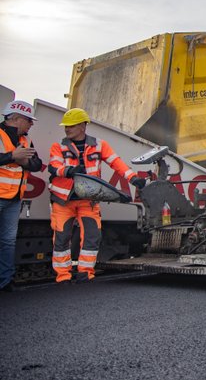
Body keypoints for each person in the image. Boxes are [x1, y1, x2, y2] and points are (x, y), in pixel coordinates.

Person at [47, 108, 146, 283]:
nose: (67, 129)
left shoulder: (99, 145)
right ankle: (63, 276)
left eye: (71, 126)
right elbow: (54, 167)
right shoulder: (58, 146)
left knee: (92, 237)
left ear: (82, 126)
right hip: (63, 201)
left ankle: (85, 273)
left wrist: (133, 178)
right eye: (66, 126)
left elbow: (116, 163)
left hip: (88, 201)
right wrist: (69, 170)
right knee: (61, 239)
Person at [0, 100, 43, 292]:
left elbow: (36, 164)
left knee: (8, 241)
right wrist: (12, 157)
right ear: (16, 119)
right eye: (29, 120)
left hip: (14, 199)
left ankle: (5, 281)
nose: (31, 124)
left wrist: (22, 161)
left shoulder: (25, 140)